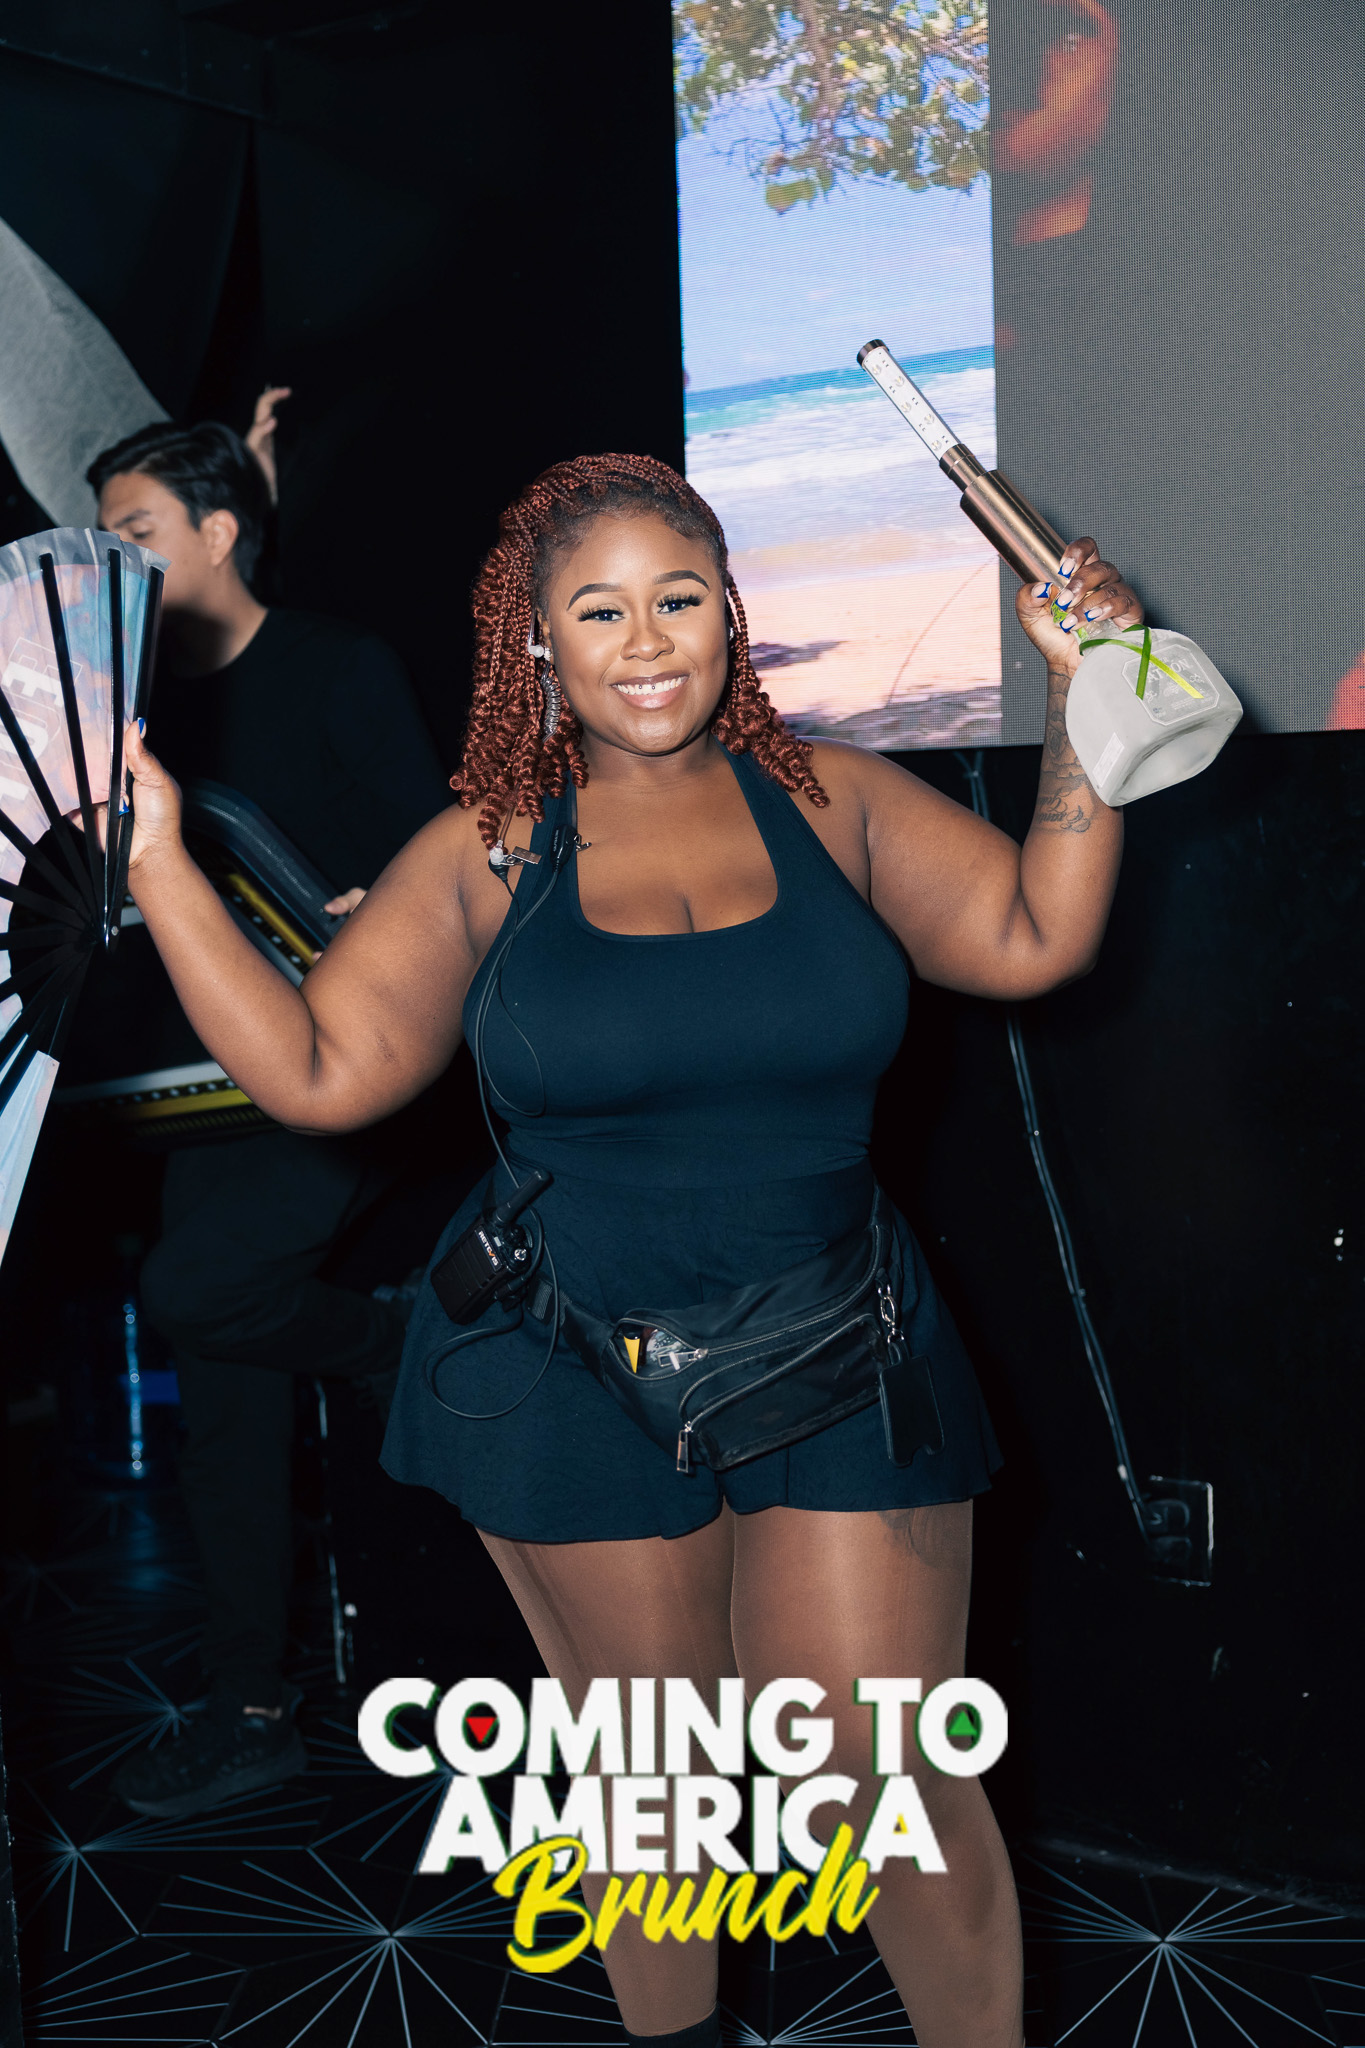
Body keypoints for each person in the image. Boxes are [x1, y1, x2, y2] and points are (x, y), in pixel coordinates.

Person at [113, 451, 1139, 2047]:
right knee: (651, 1775)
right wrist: (161, 866)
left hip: (836, 1338)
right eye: (600, 611)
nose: (646, 642)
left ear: (729, 614)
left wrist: (1086, 700)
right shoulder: (488, 846)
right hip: (563, 1355)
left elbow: (1032, 934)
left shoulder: (835, 798)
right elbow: (318, 1072)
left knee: (878, 1779)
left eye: (680, 599)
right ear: (537, 640)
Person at [88, 419, 453, 1817]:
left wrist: (376, 905)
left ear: (219, 533)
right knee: (219, 1396)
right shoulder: (127, 713)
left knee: (194, 1291)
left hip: (355, 1063)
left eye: (133, 536)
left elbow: (439, 860)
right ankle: (248, 1707)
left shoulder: (338, 665)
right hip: (202, 1090)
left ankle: (394, 1343)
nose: (114, 566)